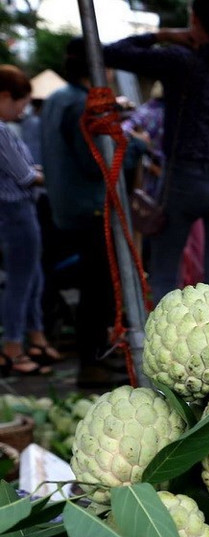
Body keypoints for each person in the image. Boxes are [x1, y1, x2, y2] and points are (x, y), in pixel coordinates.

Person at [103, 0, 209, 302]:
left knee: (165, 274)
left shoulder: (181, 62)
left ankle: (164, 346)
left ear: (194, 20)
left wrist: (162, 35)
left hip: (182, 180)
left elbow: (109, 52)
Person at [41, 39, 124, 388]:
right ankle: (92, 364)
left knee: (94, 287)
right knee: (98, 289)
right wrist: (129, 150)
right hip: (87, 208)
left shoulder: (56, 99)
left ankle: (99, 355)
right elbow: (94, 162)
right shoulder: (78, 103)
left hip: (63, 204)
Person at [0, 65, 57, 377]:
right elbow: (23, 175)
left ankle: (35, 338)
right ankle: (13, 349)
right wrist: (55, 178)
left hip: (17, 213)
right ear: (6, 96)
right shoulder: (1, 130)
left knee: (32, 277)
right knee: (21, 282)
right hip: (16, 213)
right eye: (20, 102)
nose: (23, 110)